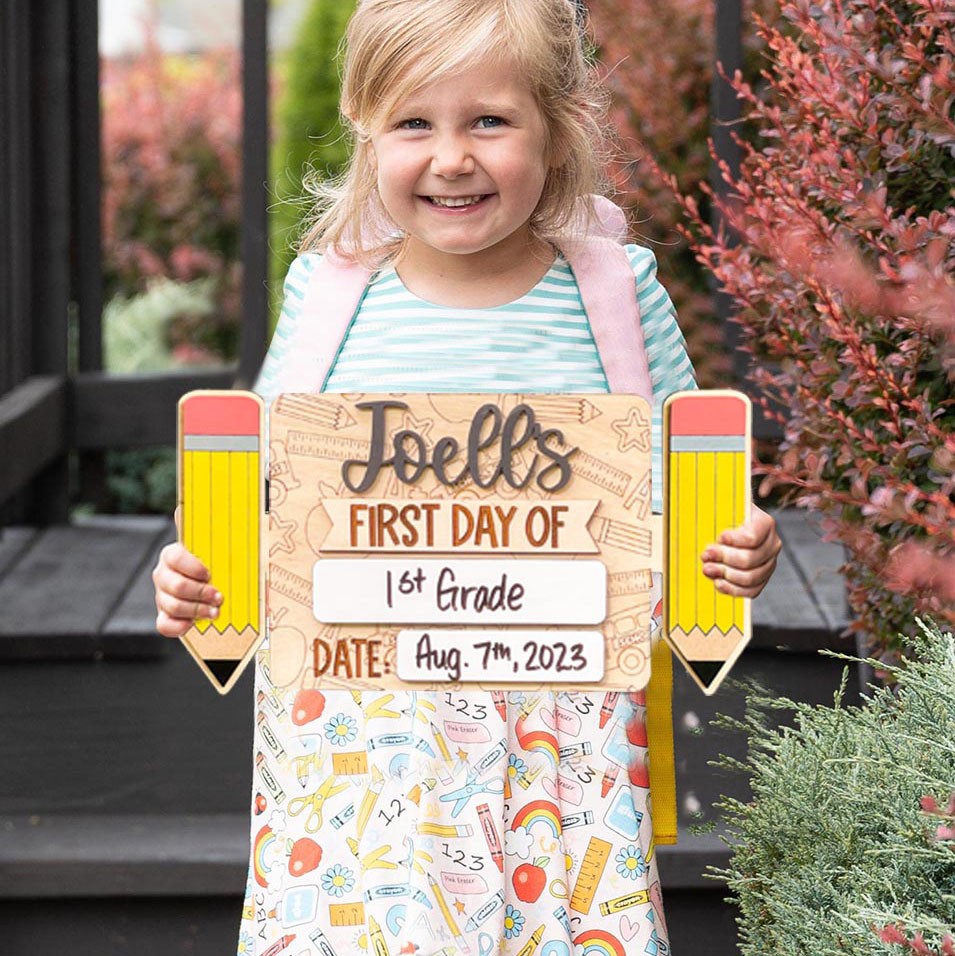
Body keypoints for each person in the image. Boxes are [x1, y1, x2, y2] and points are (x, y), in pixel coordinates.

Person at [153, 1, 782, 953]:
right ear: (367, 132)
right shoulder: (328, 296)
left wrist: (737, 546)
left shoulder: (614, 291)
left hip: (561, 750)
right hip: (360, 758)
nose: (451, 157)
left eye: (488, 120)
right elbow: (258, 500)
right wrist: (197, 574)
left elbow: (690, 488)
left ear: (558, 129)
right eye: (414, 122)